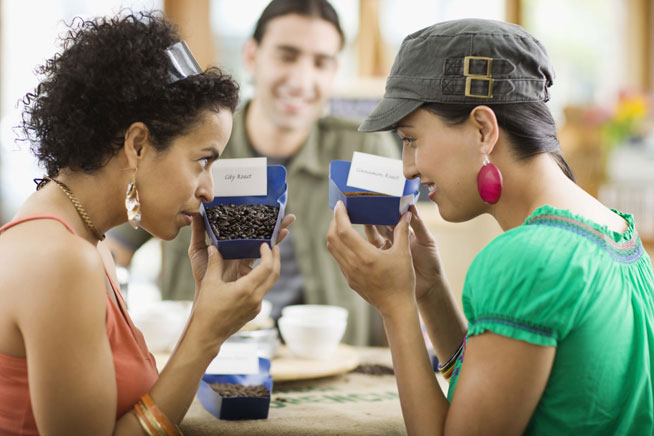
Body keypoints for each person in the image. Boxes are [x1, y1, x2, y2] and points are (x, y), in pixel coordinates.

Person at [326, 18, 654, 435]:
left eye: (410, 139)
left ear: (483, 129)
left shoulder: (526, 258)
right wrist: (427, 291)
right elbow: (502, 385)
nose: (408, 167)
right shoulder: (615, 230)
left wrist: (395, 305)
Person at [0, 11, 294, 435]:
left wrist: (205, 315)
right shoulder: (63, 260)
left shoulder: (83, 239)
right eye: (203, 160)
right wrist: (205, 335)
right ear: (137, 144)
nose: (209, 190)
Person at [108, 0, 399, 345]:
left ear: (334, 70)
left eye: (320, 62)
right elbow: (113, 248)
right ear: (251, 57)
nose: (302, 79)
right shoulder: (191, 147)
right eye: (287, 56)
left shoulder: (364, 149)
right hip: (206, 365)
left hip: (333, 363)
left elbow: (396, 270)